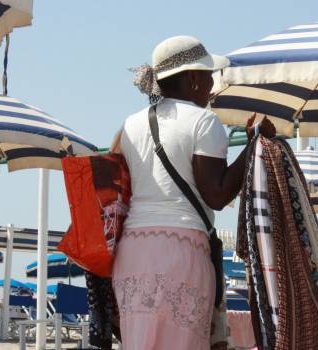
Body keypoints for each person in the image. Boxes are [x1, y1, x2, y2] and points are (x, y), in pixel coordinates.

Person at [110, 35, 274, 350]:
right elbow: (216, 194)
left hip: (131, 253)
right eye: (209, 75)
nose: (213, 83)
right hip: (180, 251)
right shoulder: (204, 122)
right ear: (194, 79)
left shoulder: (129, 125)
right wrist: (253, 146)